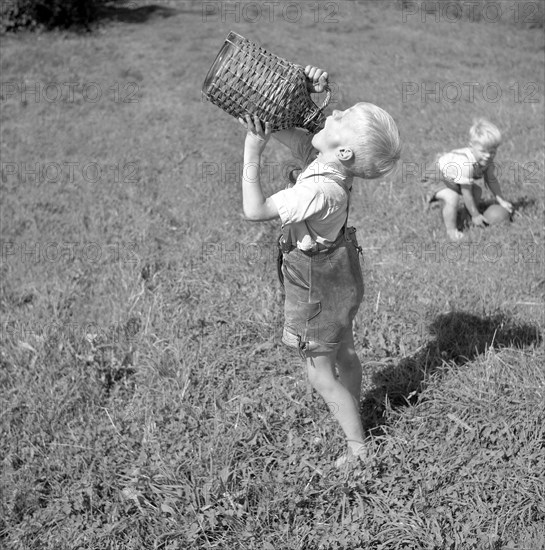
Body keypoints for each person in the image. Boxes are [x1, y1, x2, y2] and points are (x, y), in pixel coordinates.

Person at [238, 66, 401, 466]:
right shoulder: (330, 166)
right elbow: (289, 128)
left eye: (340, 118)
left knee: (320, 373)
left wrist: (251, 150)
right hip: (341, 277)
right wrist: (306, 94)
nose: (334, 112)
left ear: (343, 151)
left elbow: (254, 209)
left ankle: (358, 449)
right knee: (344, 349)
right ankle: (355, 408)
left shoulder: (315, 190)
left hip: (315, 288)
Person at [427, 118, 514, 241]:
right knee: (452, 197)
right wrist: (476, 214)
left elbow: (492, 181)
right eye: (483, 151)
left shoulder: (487, 161)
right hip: (437, 176)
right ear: (471, 146)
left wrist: (502, 201)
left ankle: (466, 218)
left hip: (454, 178)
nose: (488, 155)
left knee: (477, 191)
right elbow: (466, 193)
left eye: (492, 151)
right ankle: (452, 231)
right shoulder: (466, 164)